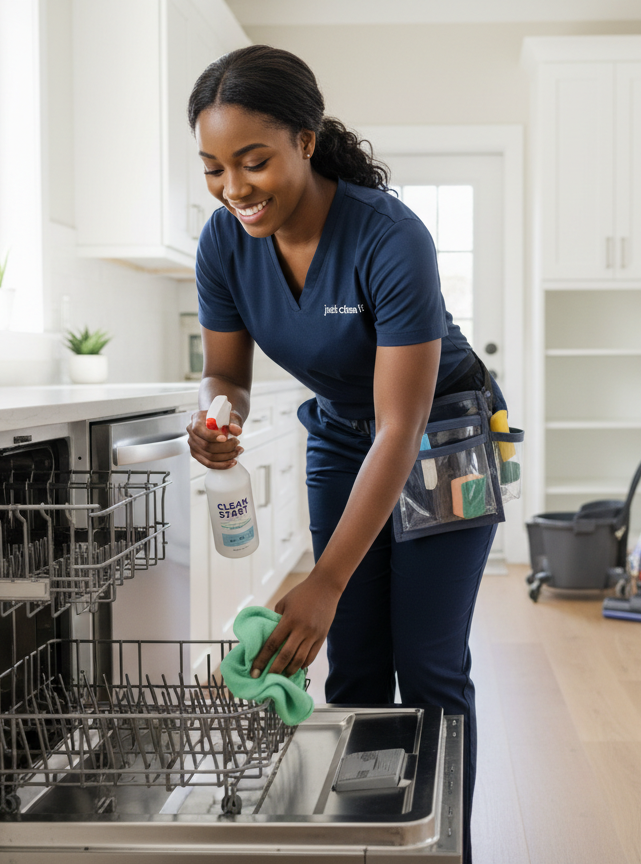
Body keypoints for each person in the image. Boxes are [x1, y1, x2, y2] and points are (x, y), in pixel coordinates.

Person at [184, 45, 504, 862]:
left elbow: (401, 425)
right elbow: (227, 372)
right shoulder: (224, 244)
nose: (233, 189)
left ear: (306, 139)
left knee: (427, 662)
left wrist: (324, 579)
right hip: (337, 433)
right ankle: (365, 845)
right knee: (354, 662)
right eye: (214, 167)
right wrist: (218, 416)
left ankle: (443, 850)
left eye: (252, 162)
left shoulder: (389, 236)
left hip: (442, 435)